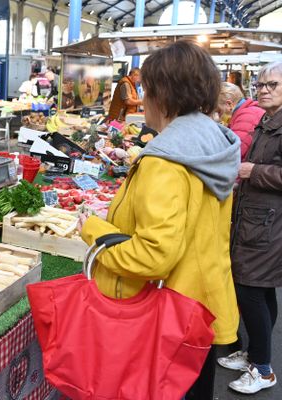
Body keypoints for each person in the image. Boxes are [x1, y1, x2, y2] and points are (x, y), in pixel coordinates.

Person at [79, 41, 240, 400]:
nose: (143, 97)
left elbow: (153, 255)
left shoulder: (164, 162)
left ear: (164, 95)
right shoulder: (212, 142)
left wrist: (93, 230)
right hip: (202, 306)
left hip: (168, 319)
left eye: (147, 89)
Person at [218, 62, 282, 395]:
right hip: (257, 219)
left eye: (272, 84)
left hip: (270, 225)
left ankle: (264, 369)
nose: (264, 90)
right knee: (262, 291)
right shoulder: (267, 120)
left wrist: (252, 170)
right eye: (260, 85)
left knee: (251, 291)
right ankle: (256, 355)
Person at [218, 82, 265, 161]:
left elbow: (235, 151)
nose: (219, 116)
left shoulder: (247, 116)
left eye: (218, 111)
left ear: (229, 104)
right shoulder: (245, 111)